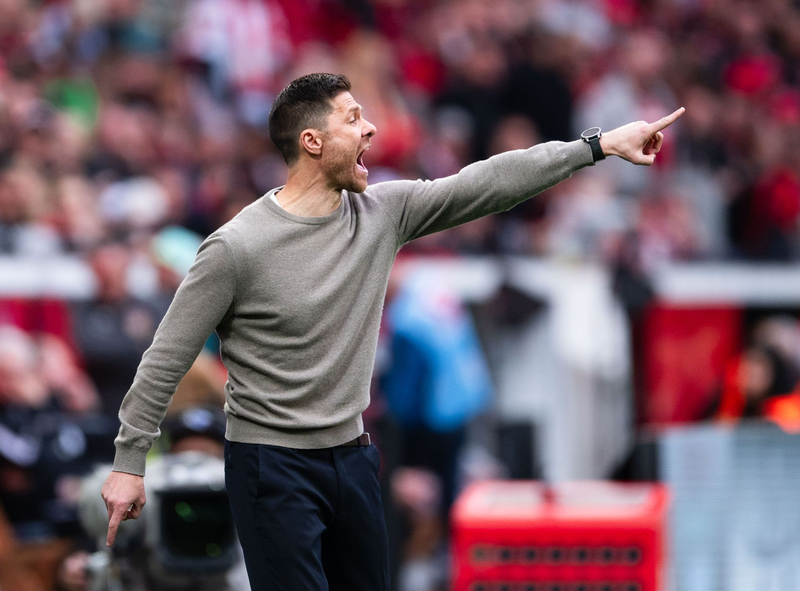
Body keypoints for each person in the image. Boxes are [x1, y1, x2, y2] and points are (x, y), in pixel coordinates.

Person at [101, 72, 684, 590]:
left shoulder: (381, 212)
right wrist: (129, 463)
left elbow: (489, 182)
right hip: (270, 465)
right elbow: (165, 358)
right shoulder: (235, 247)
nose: (372, 128)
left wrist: (598, 145)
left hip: (354, 458)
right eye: (353, 118)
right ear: (312, 142)